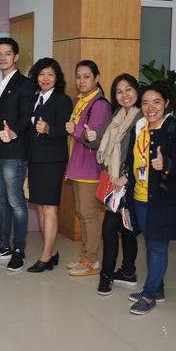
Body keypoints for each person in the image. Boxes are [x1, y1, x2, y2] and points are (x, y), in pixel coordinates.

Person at [126, 82, 176, 315]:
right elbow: (132, 159)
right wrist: (125, 176)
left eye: (156, 102)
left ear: (166, 103)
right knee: (150, 242)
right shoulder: (140, 127)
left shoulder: (175, 129)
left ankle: (148, 295)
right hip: (139, 196)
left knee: (157, 246)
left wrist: (165, 165)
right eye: (145, 103)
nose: (150, 107)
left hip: (162, 198)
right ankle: (158, 289)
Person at [0, 37, 34, 272]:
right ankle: (3, 246)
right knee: (1, 201)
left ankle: (19, 249)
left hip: (13, 151)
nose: (3, 58)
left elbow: (26, 116)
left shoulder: (25, 84)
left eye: (7, 53)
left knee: (16, 202)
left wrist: (13, 132)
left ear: (16, 56)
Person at [85, 73, 142, 294]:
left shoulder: (141, 118)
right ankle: (126, 271)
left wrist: (126, 176)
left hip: (129, 182)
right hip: (113, 180)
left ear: (136, 91)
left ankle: (108, 275)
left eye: (128, 90)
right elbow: (101, 141)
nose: (124, 95)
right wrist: (90, 137)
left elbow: (140, 153)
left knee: (114, 228)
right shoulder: (117, 115)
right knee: (122, 228)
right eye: (119, 91)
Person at [64, 60, 112, 276]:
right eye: (78, 76)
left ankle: (92, 260)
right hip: (76, 164)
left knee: (89, 214)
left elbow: (93, 138)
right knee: (82, 213)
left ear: (96, 78)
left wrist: (74, 130)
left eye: (86, 76)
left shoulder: (100, 105)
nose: (81, 81)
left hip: (90, 167)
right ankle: (85, 256)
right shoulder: (77, 101)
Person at [24, 58, 73, 273]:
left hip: (53, 160)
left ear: (57, 78)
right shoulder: (36, 98)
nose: (45, 78)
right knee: (41, 207)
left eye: (50, 74)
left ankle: (45, 256)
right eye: (41, 74)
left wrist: (48, 130)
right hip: (35, 159)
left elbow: (65, 130)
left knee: (50, 207)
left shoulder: (62, 100)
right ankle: (52, 251)